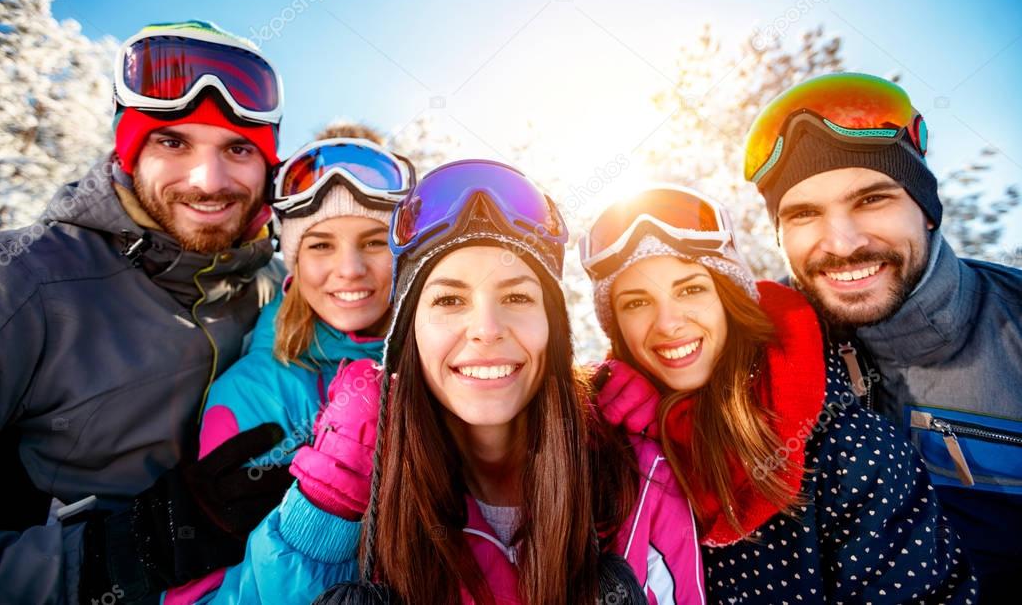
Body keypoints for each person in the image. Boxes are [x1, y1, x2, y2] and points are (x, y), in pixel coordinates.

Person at [211, 159, 706, 604]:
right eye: (449, 301)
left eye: (517, 298)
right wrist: (323, 511)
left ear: (554, 326)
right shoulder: (372, 499)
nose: (487, 330)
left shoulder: (639, 481)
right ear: (408, 334)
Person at [0, 20, 292, 604]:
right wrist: (118, 556)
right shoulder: (25, 278)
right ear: (129, 152)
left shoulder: (278, 291)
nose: (209, 182)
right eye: (173, 143)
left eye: (238, 149)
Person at [582, 185, 978, 603]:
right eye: (636, 302)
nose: (668, 324)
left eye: (690, 289)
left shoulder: (850, 452)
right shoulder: (603, 455)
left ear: (727, 298)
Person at [744, 71, 1022, 600]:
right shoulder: (755, 347)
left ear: (927, 209)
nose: (843, 242)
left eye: (872, 200)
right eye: (804, 213)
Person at [164, 131, 415, 604]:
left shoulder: (446, 366)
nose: (350, 269)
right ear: (294, 261)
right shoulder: (256, 395)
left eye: (374, 241)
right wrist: (322, 511)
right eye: (321, 245)